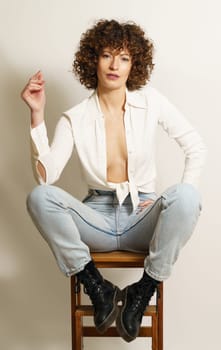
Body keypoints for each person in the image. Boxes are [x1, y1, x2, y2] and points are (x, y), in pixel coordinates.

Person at [21, 19, 207, 342]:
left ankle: (142, 290)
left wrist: (169, 203)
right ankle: (96, 286)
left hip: (141, 216)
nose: (114, 65)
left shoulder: (151, 101)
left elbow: (196, 147)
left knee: (187, 197)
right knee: (39, 198)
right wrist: (37, 115)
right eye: (107, 55)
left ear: (133, 63)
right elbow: (46, 177)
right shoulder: (75, 117)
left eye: (123, 58)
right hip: (96, 217)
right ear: (93, 59)